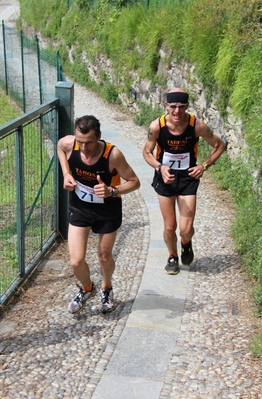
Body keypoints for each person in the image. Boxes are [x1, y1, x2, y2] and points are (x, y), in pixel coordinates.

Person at [57, 115, 140, 314]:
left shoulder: (113, 155)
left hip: (107, 212)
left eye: (89, 143)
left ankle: (107, 287)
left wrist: (113, 191)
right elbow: (60, 146)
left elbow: (135, 181)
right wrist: (66, 173)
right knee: (76, 261)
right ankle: (87, 289)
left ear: (99, 137)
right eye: (80, 142)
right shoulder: (70, 144)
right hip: (80, 208)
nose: (84, 148)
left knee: (104, 257)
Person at [143, 87, 226, 275]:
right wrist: (160, 167)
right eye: (173, 106)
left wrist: (204, 165)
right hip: (165, 178)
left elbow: (219, 145)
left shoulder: (197, 126)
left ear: (187, 106)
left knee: (186, 229)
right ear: (166, 105)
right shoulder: (157, 126)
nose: (177, 111)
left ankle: (186, 244)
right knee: (170, 226)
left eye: (181, 107)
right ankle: (172, 256)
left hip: (188, 178)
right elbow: (146, 152)